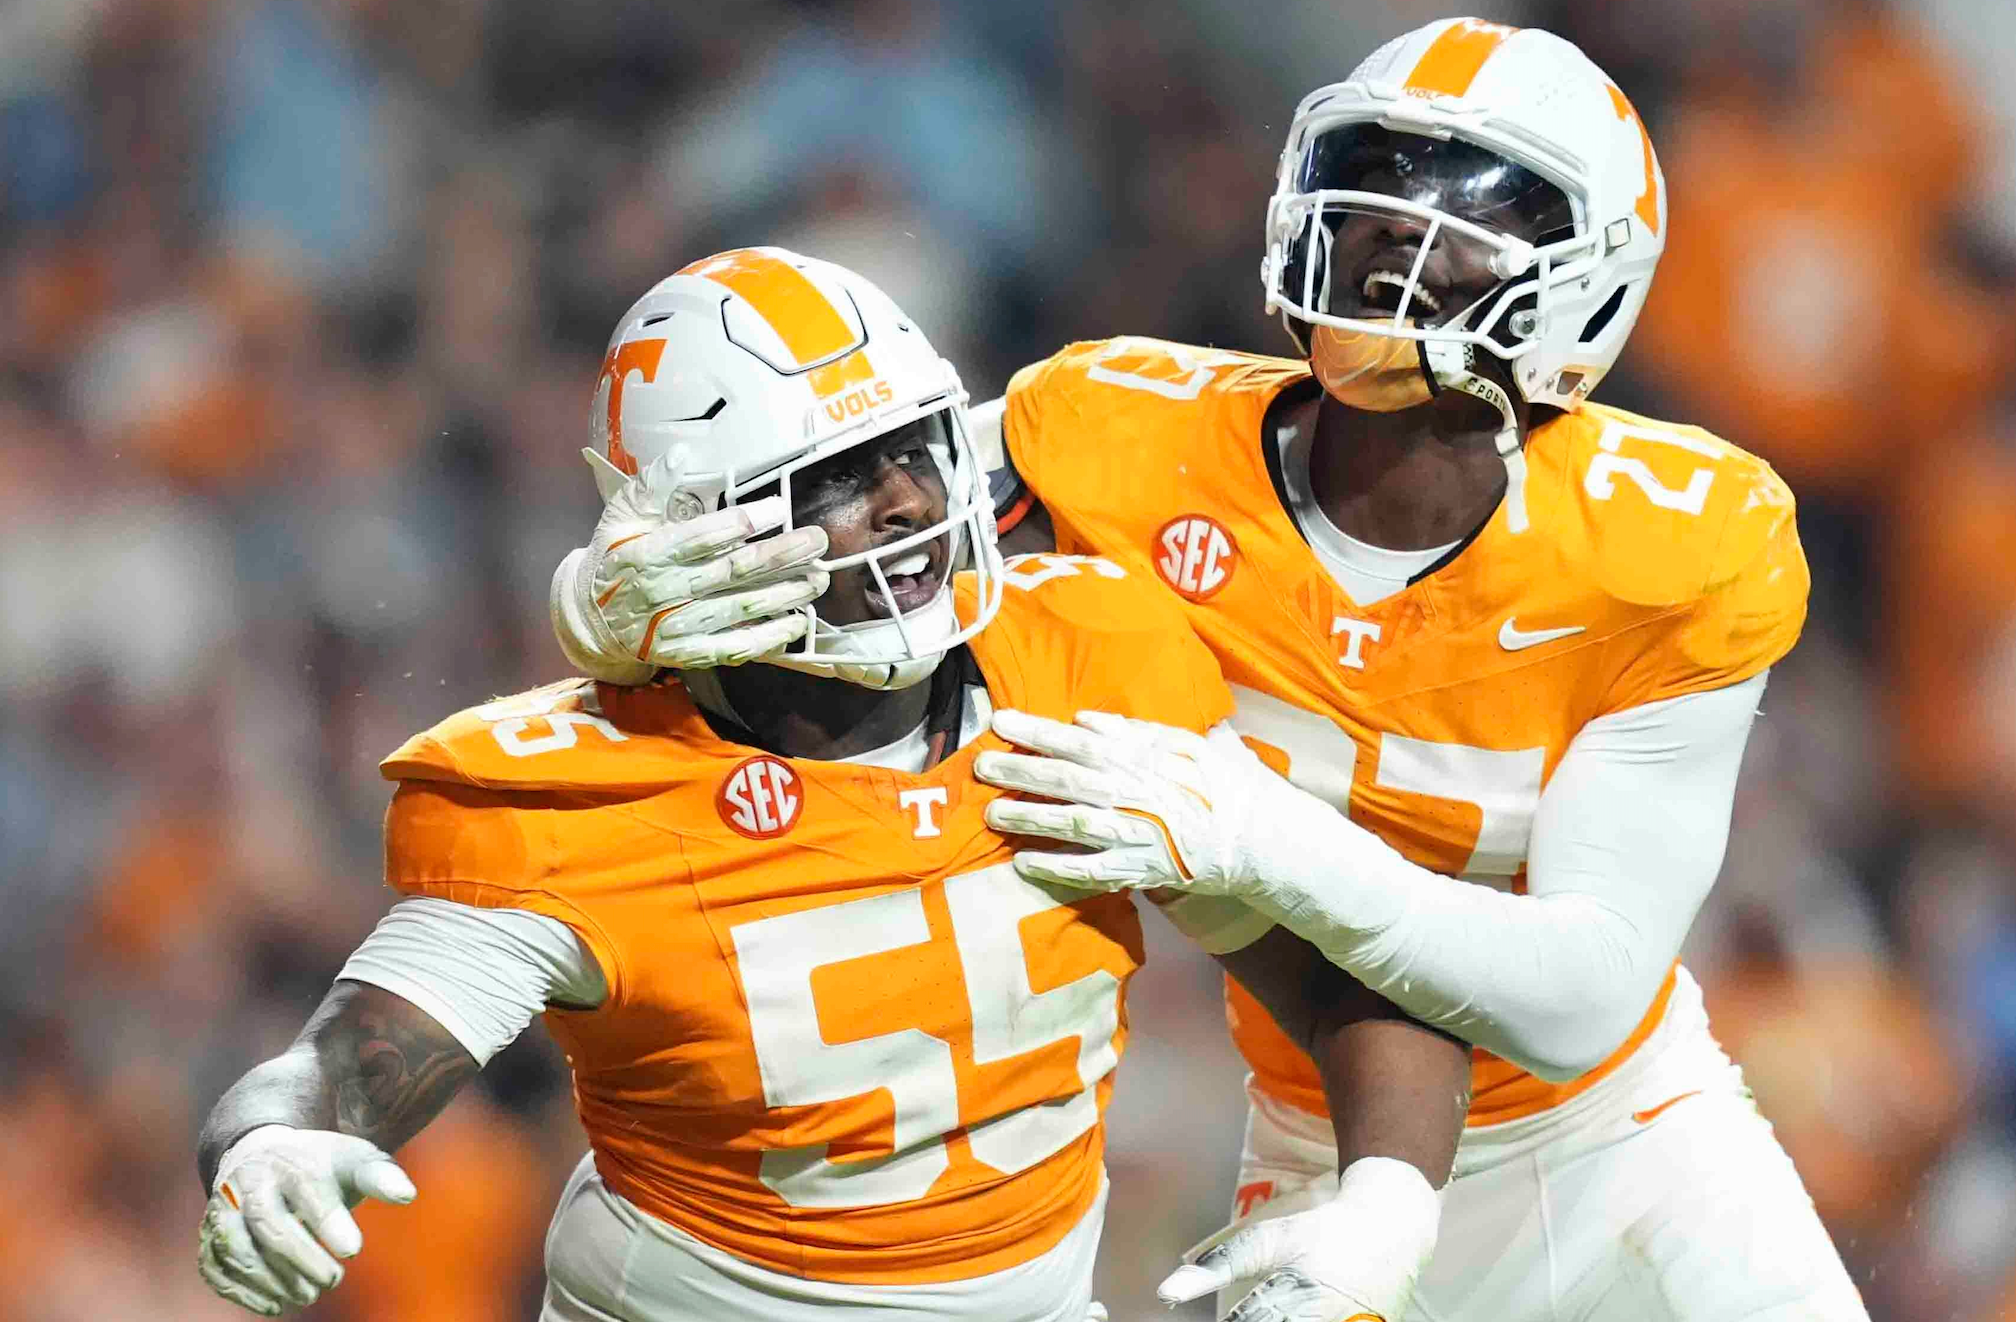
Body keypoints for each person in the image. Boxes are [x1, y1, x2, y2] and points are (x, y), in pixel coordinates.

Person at [552, 21, 1871, 1322]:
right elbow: (822, 515)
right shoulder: (1117, 428)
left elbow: (1582, 993)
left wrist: (1259, 835)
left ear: (1592, 273)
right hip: (1334, 1133)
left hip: (1622, 1141)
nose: (1396, 230)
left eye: (1470, 205)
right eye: (1376, 179)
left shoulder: (1677, 542)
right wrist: (602, 607)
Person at [193, 248, 1466, 1322]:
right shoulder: (585, 797)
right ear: (699, 525)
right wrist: (272, 1143)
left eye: (914, 447)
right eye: (842, 473)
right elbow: (338, 1065)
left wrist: (1383, 1202)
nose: (908, 498)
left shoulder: (1088, 664)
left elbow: (1356, 975)